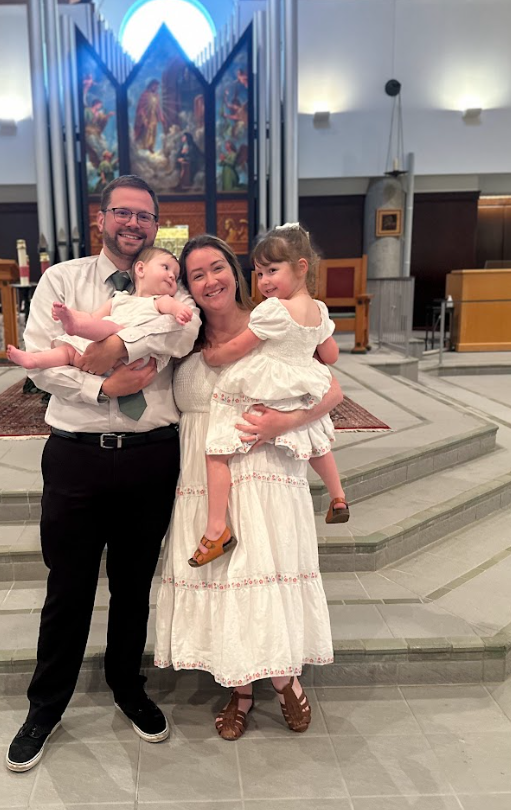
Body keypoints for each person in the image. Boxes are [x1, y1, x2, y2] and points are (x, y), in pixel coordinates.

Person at [6, 176, 201, 773]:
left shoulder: (170, 281)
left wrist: (113, 347)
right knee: (67, 587)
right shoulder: (63, 280)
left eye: (145, 216)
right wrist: (102, 386)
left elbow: (184, 332)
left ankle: (127, 686)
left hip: (150, 456)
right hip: (76, 455)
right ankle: (46, 707)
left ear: (156, 224)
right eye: (123, 212)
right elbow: (43, 362)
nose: (133, 224)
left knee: (134, 585)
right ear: (102, 218)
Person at [154, 234, 339, 740]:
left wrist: (284, 422)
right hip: (204, 475)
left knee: (262, 573)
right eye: (196, 274)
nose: (210, 280)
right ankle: (239, 689)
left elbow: (332, 389)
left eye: (218, 267)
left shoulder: (273, 320)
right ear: (188, 287)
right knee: (225, 581)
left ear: (235, 274)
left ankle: (284, 679)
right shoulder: (183, 338)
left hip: (266, 470)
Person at [189, 223, 348, 568]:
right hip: (304, 380)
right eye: (259, 273)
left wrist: (213, 357)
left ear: (301, 267)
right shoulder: (320, 310)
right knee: (317, 440)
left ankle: (216, 528)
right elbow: (331, 355)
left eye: (272, 271)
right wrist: (305, 354)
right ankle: (338, 495)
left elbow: (239, 347)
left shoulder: (273, 310)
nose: (263, 281)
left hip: (270, 384)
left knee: (218, 449)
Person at [6, 247, 192, 372]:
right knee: (68, 352)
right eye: (166, 268)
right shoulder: (120, 299)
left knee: (112, 328)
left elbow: (173, 307)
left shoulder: (159, 300)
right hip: (93, 356)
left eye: (175, 276)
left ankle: (75, 327)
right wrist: (69, 314)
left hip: (131, 356)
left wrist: (179, 311)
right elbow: (92, 318)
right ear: (141, 269)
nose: (171, 276)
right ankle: (34, 360)